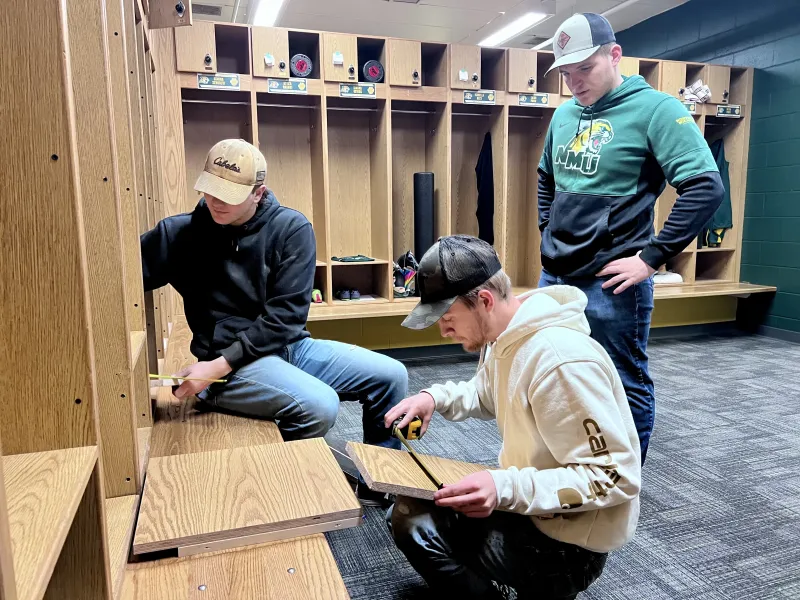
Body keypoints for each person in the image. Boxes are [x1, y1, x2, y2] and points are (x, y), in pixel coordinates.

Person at [140, 138, 407, 503]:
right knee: (320, 406)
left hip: (286, 346)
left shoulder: (291, 229)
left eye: (229, 194)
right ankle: (294, 490)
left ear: (258, 193)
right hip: (225, 366)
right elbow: (119, 280)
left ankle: (383, 485)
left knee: (392, 376)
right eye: (210, 190)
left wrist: (219, 365)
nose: (216, 202)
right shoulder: (178, 235)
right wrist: (213, 368)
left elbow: (286, 318)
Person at [385, 235, 641, 599]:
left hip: (567, 546)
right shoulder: (506, 337)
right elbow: (486, 393)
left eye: (446, 317)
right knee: (409, 508)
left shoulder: (560, 361)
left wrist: (503, 487)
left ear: (484, 301)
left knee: (415, 524)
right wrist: (434, 397)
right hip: (533, 508)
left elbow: (615, 477)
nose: (442, 330)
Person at [537, 13, 724, 462]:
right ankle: (574, 464)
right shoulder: (564, 114)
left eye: (585, 68)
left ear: (614, 54)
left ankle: (623, 485)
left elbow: (705, 187)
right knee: (561, 374)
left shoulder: (657, 109)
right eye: (566, 72)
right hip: (556, 275)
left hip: (612, 282)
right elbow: (547, 176)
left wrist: (651, 259)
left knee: (623, 380)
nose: (574, 81)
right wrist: (548, 228)